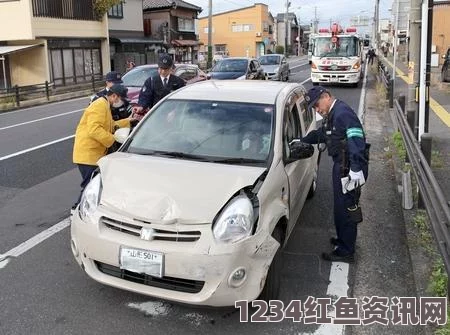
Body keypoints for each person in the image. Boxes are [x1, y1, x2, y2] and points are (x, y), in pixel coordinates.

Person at [302, 86, 370, 263]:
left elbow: (357, 140)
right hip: (341, 166)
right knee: (340, 209)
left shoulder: (342, 114)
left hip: (349, 169)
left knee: (347, 209)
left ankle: (346, 251)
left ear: (326, 96)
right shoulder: (332, 114)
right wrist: (302, 140)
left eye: (317, 105)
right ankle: (342, 241)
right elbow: (324, 134)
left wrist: (356, 170)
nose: (317, 110)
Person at [72, 84, 139, 209]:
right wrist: (112, 140)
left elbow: (110, 125)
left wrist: (128, 121)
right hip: (88, 154)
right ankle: (78, 209)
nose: (121, 102)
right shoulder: (99, 105)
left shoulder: (105, 105)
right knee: (90, 185)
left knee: (94, 184)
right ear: (114, 96)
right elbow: (94, 129)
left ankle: (81, 208)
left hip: (92, 153)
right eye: (121, 99)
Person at [132, 53, 185, 121]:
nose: (163, 72)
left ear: (170, 68)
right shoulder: (151, 81)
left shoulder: (179, 82)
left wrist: (176, 111)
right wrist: (141, 107)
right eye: (161, 68)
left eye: (165, 69)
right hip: (156, 116)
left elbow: (182, 102)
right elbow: (145, 97)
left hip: (174, 117)